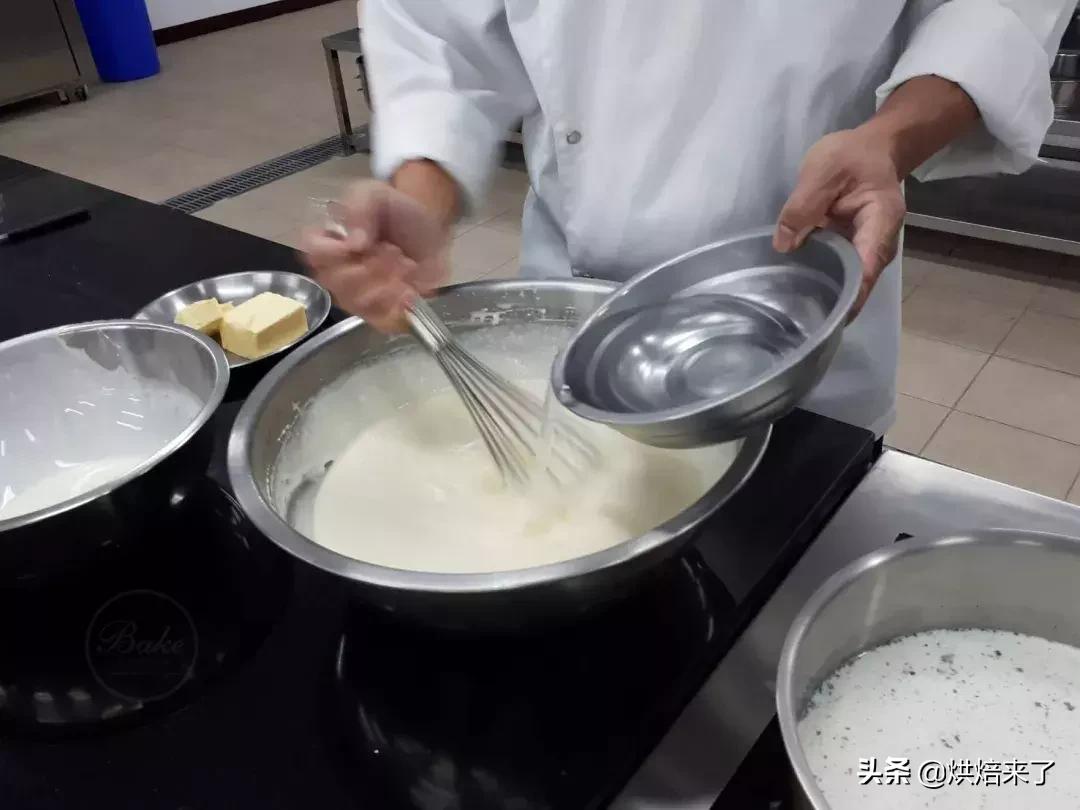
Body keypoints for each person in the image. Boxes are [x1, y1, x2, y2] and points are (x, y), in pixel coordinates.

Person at [303, 1, 1074, 435]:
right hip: (576, 319)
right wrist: (420, 195)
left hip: (805, 321)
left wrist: (889, 139)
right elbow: (438, 33)